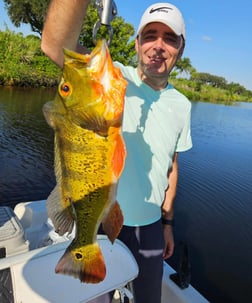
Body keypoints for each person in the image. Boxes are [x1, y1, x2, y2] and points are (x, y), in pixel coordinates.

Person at [41, 2, 192, 303]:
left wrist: (168, 224)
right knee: (97, 297)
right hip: (100, 220)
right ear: (136, 44)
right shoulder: (112, 78)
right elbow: (54, 45)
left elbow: (171, 167)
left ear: (180, 49)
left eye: (169, 38)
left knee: (149, 297)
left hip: (150, 226)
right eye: (150, 35)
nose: (158, 46)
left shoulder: (183, 105)